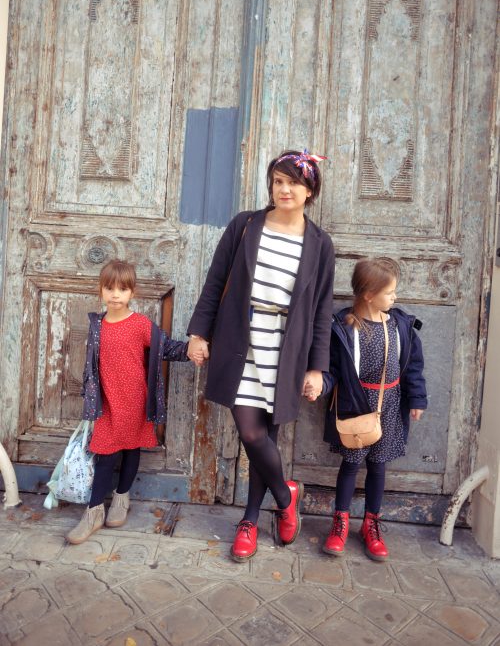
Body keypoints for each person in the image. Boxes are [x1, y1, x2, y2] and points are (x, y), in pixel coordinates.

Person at [187, 150, 335, 562]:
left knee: (264, 436)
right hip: (241, 339)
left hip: (287, 348)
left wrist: (317, 367)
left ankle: (250, 520)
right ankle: (286, 497)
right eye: (278, 181)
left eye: (293, 182)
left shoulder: (320, 244)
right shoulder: (246, 225)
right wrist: (199, 333)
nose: (284, 189)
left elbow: (322, 309)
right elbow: (216, 281)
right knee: (251, 432)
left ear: (310, 190)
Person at [66, 259, 202, 544]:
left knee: (130, 449)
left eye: (122, 289)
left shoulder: (141, 325)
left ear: (133, 293)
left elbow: (167, 348)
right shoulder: (97, 325)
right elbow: (92, 364)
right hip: (107, 402)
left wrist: (192, 349)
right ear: (100, 290)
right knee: (105, 454)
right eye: (110, 288)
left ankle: (121, 498)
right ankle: (93, 512)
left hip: (134, 400)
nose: (116, 294)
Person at [308, 257, 427, 562]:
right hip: (356, 405)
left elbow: (412, 367)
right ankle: (341, 522)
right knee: (350, 464)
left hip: (390, 404)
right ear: (369, 295)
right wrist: (321, 383)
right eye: (390, 292)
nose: (395, 297)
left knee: (378, 465)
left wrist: (417, 399)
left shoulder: (401, 325)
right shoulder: (345, 327)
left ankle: (371, 524)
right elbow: (334, 369)